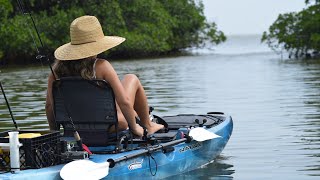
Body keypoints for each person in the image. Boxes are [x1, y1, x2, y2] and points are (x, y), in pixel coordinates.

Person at [45, 15, 164, 137]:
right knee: (131, 78)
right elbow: (124, 102)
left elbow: (49, 106)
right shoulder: (102, 66)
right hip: (107, 128)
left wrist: (54, 134)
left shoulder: (56, 72)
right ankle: (148, 125)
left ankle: (138, 117)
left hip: (73, 131)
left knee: (127, 108)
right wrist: (134, 128)